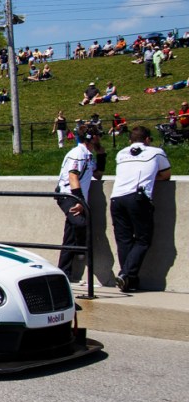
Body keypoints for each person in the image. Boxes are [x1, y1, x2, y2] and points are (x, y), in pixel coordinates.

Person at [109, 126, 172, 292]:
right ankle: (125, 274)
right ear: (147, 139)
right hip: (138, 198)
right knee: (143, 239)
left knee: (124, 241)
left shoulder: (121, 154)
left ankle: (130, 281)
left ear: (130, 141)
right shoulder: (156, 152)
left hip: (116, 198)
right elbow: (166, 175)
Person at [54, 125, 103, 280]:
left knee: (69, 235)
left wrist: (102, 155)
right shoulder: (77, 154)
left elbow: (98, 175)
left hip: (76, 196)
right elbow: (73, 177)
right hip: (68, 195)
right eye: (98, 135)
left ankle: (64, 271)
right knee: (81, 223)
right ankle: (81, 250)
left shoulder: (88, 155)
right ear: (91, 137)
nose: (100, 138)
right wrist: (80, 200)